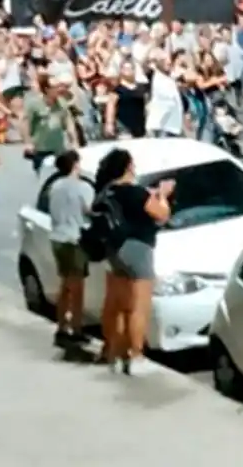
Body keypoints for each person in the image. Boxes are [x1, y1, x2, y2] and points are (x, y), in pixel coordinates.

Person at [94, 148, 173, 374]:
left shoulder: (106, 192)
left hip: (114, 249)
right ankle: (136, 356)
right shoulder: (135, 192)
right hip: (138, 248)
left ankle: (115, 353)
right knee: (139, 305)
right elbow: (161, 214)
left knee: (118, 304)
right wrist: (163, 195)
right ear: (128, 166)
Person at [47, 149, 95, 348]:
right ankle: (76, 329)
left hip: (57, 238)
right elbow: (90, 210)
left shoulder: (54, 186)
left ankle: (61, 326)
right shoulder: (83, 187)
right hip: (74, 239)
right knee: (77, 289)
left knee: (65, 285)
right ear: (75, 165)